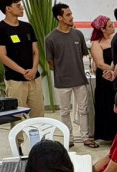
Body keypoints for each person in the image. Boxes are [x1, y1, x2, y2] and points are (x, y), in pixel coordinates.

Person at [46, 4, 96, 148]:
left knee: (84, 109)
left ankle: (86, 137)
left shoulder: (78, 34)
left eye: (71, 14)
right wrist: (63, 70)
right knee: (64, 111)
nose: (71, 17)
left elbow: (83, 54)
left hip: (80, 79)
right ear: (59, 18)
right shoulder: (50, 38)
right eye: (68, 15)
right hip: (62, 82)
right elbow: (50, 62)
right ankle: (69, 138)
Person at [0, 0, 43, 119]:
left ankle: (40, 138)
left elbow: (35, 51)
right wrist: (23, 72)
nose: (22, 8)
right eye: (18, 6)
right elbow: (2, 56)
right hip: (15, 80)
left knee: (38, 113)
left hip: (34, 78)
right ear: (8, 8)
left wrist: (34, 69)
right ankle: (19, 138)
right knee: (18, 116)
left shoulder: (27, 27)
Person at [89, 15, 117, 142]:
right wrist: (115, 70)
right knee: (107, 105)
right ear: (102, 29)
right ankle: (108, 134)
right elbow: (100, 64)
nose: (113, 27)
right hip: (105, 80)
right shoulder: (96, 44)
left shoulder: (116, 38)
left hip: (116, 77)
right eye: (109, 26)